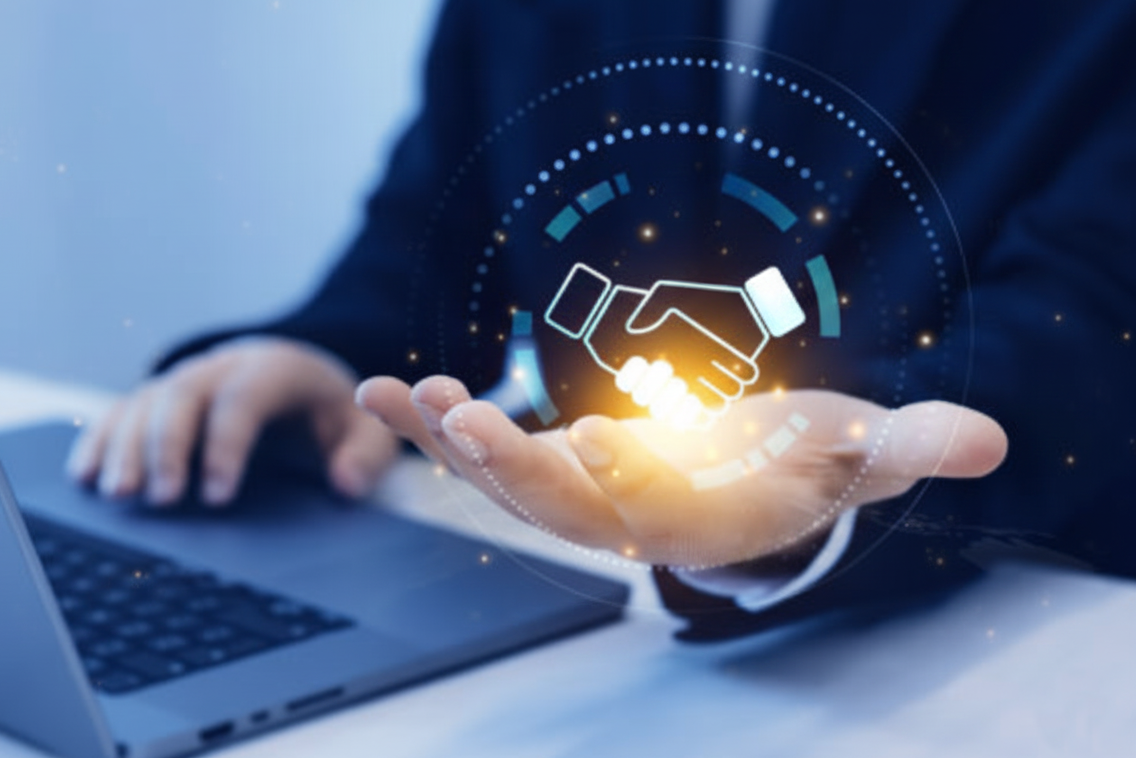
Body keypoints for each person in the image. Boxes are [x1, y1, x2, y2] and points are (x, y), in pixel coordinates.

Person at [66, 0, 1136, 639]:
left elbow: (1082, 320)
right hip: (609, 650)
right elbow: (441, 227)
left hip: (1029, 638)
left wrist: (817, 488)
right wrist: (319, 351)